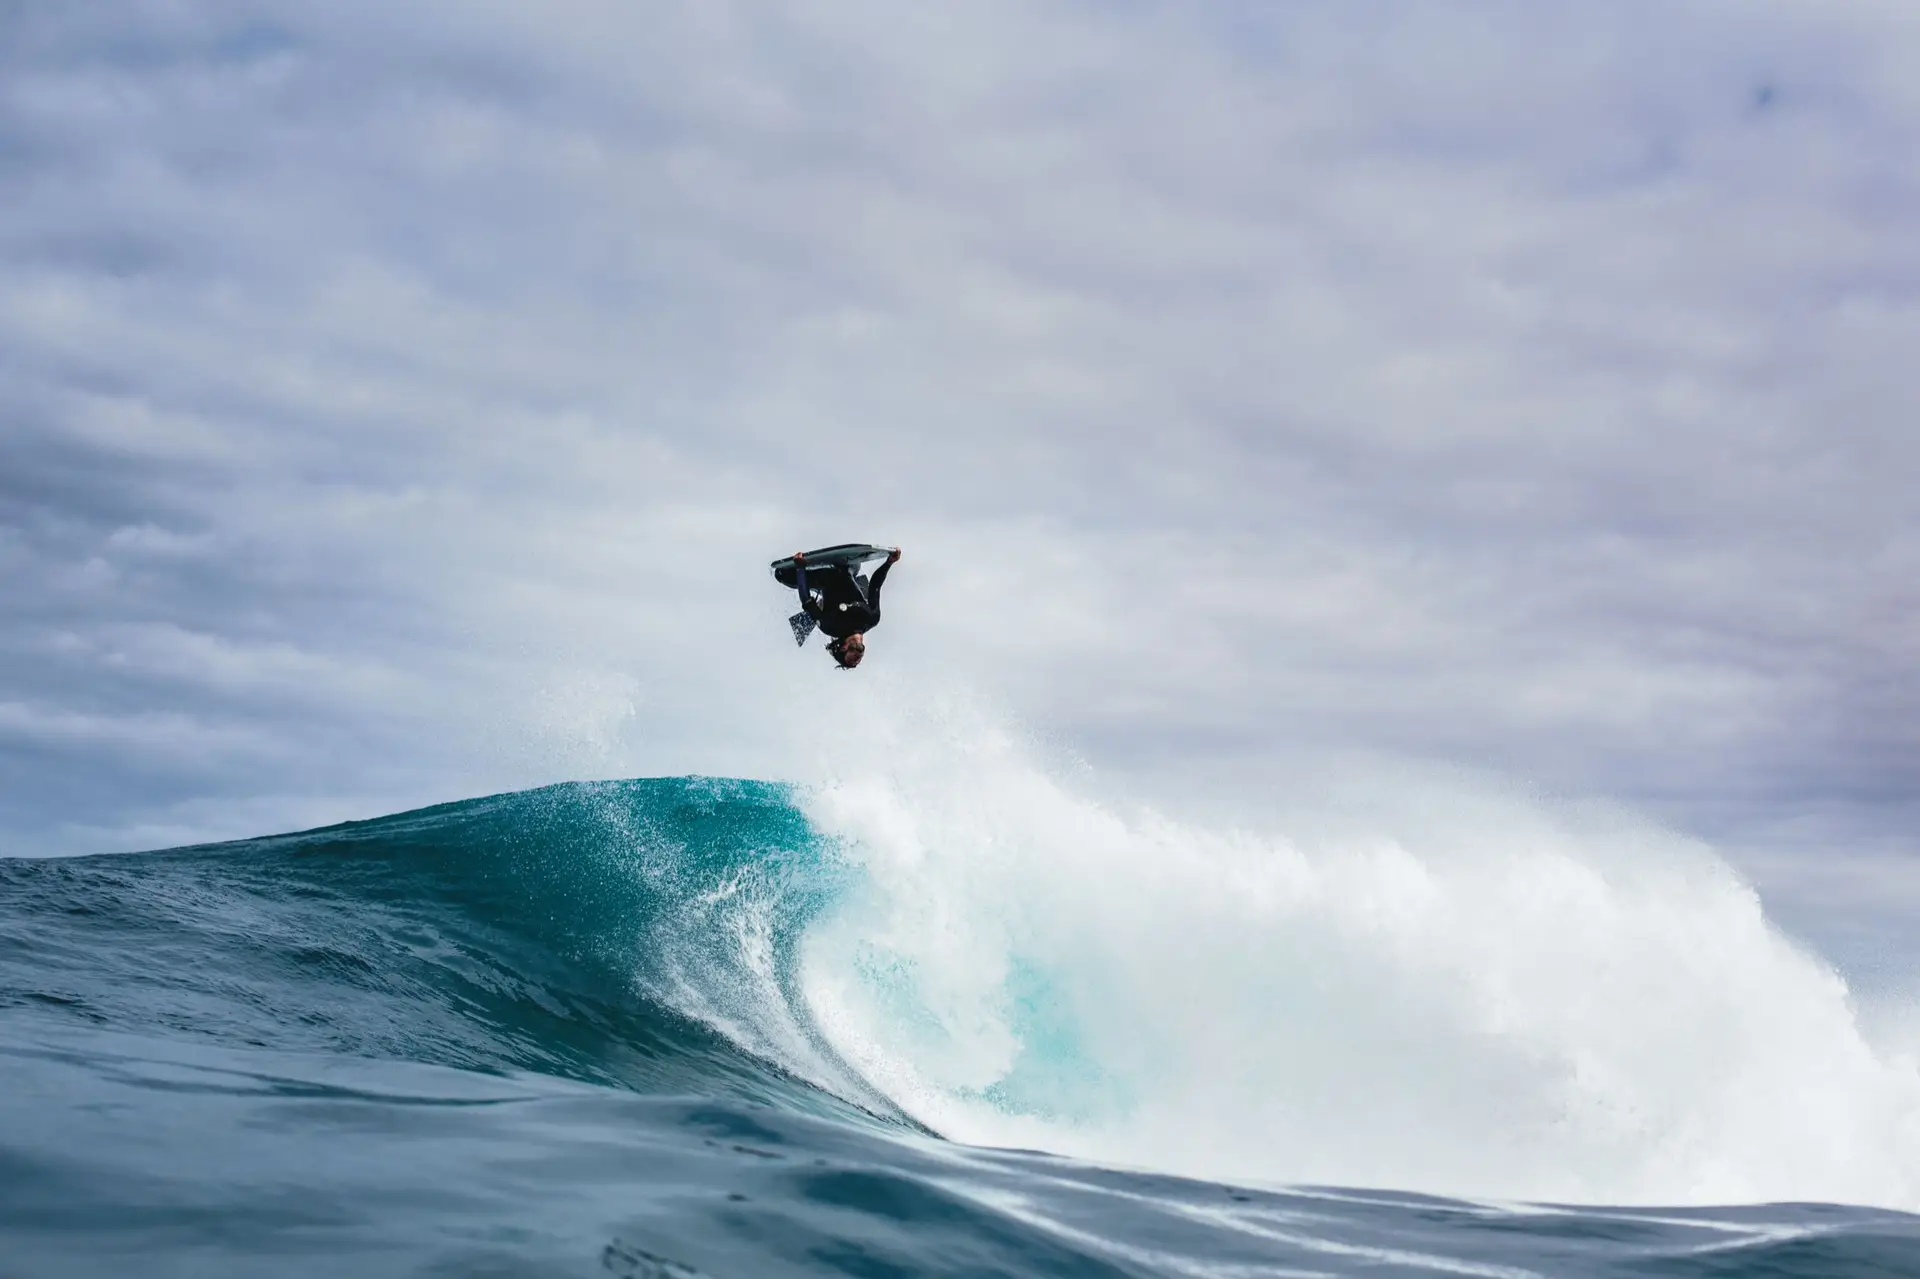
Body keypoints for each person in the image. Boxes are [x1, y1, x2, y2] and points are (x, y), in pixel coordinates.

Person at [791, 546, 900, 668]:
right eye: (857, 662)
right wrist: (889, 562)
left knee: (781, 575)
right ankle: (827, 594)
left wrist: (800, 568)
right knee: (853, 577)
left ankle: (820, 598)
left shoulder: (831, 627)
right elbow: (875, 585)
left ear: (843, 648)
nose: (857, 661)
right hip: (850, 567)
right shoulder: (872, 619)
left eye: (850, 661)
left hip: (823, 577)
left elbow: (806, 601)